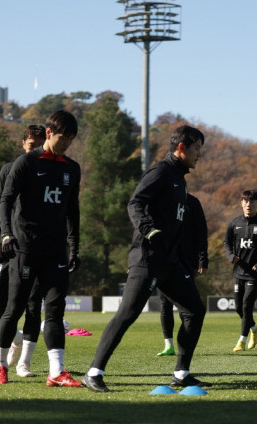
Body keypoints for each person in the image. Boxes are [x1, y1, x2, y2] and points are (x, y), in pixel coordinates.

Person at [82, 125, 207, 393]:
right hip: (147, 258)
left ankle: (182, 373)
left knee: (194, 310)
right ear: (182, 147)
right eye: (197, 149)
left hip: (169, 262)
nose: (200, 155)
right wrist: (150, 230)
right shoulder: (161, 172)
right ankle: (93, 372)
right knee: (128, 313)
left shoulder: (180, 179)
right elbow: (134, 203)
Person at [0, 110, 82, 387]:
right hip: (25, 248)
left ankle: (56, 371)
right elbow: (5, 201)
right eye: (62, 137)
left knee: (55, 310)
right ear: (48, 133)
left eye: (70, 139)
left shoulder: (71, 168)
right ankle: (0, 365)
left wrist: (74, 246)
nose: (66, 143)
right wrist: (6, 234)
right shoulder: (26, 163)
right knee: (15, 308)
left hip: (55, 251)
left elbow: (73, 211)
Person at [0, 125, 46, 377]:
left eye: (40, 144)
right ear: (23, 143)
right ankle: (15, 337)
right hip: (7, 244)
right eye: (31, 144)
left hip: (36, 246)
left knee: (33, 304)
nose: (35, 149)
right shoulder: (9, 169)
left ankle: (24, 363)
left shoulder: (50, 171)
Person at [157, 192, 209, 357]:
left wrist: (203, 259)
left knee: (185, 305)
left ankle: (184, 344)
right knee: (164, 304)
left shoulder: (192, 202)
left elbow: (201, 230)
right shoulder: (162, 200)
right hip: (165, 259)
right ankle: (168, 345)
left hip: (186, 261)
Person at [223, 190, 257, 352]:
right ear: (241, 203)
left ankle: (242, 340)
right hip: (238, 271)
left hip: (255, 273)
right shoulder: (234, 223)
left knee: (246, 306)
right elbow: (226, 243)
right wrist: (231, 256)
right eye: (245, 201)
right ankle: (254, 328)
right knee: (239, 307)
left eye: (252, 202)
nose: (248, 205)